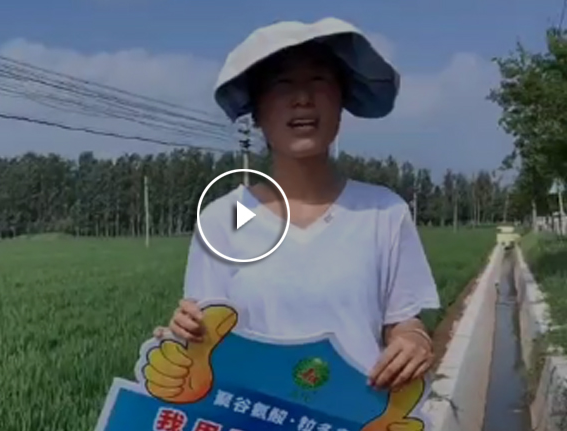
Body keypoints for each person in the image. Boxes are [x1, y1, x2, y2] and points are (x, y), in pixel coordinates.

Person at [158, 17, 441, 392]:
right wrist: (186, 334)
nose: (303, 99)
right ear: (257, 112)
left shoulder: (383, 212)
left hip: (359, 412)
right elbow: (210, 329)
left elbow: (403, 320)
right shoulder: (225, 220)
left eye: (319, 81)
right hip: (258, 413)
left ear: (342, 101)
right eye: (283, 84)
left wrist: (414, 339)